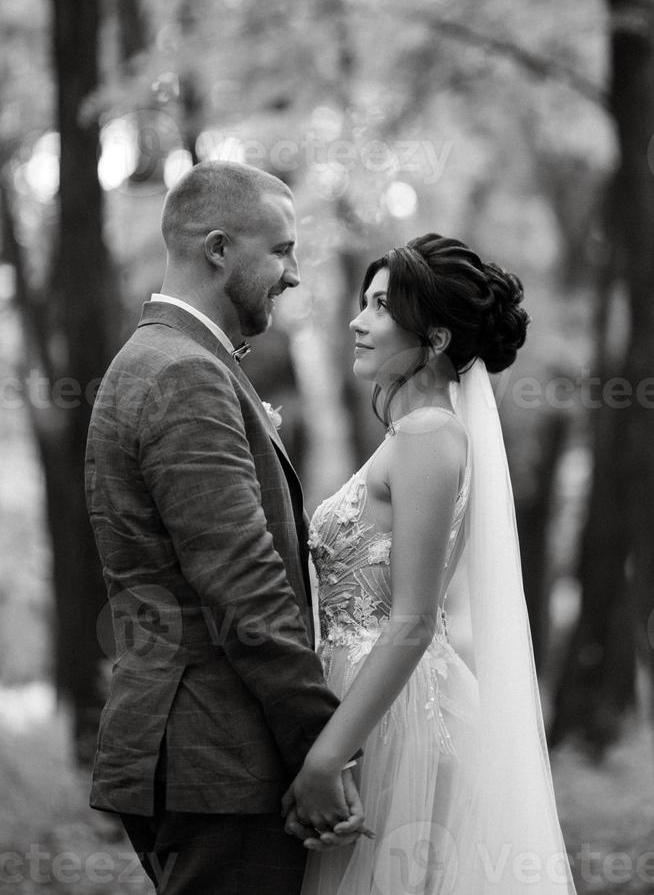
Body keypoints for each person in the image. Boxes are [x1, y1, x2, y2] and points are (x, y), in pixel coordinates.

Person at [85, 160, 364, 895]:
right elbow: (241, 581)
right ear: (217, 248)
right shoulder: (183, 372)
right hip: (220, 756)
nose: (295, 274)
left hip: (196, 752)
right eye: (281, 250)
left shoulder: (168, 359)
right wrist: (321, 745)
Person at [283, 234, 578, 894]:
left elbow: (414, 619)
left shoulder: (428, 436)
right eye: (363, 303)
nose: (359, 320)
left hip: (395, 718)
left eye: (382, 307)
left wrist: (328, 756)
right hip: (377, 697)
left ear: (437, 338)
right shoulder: (418, 434)